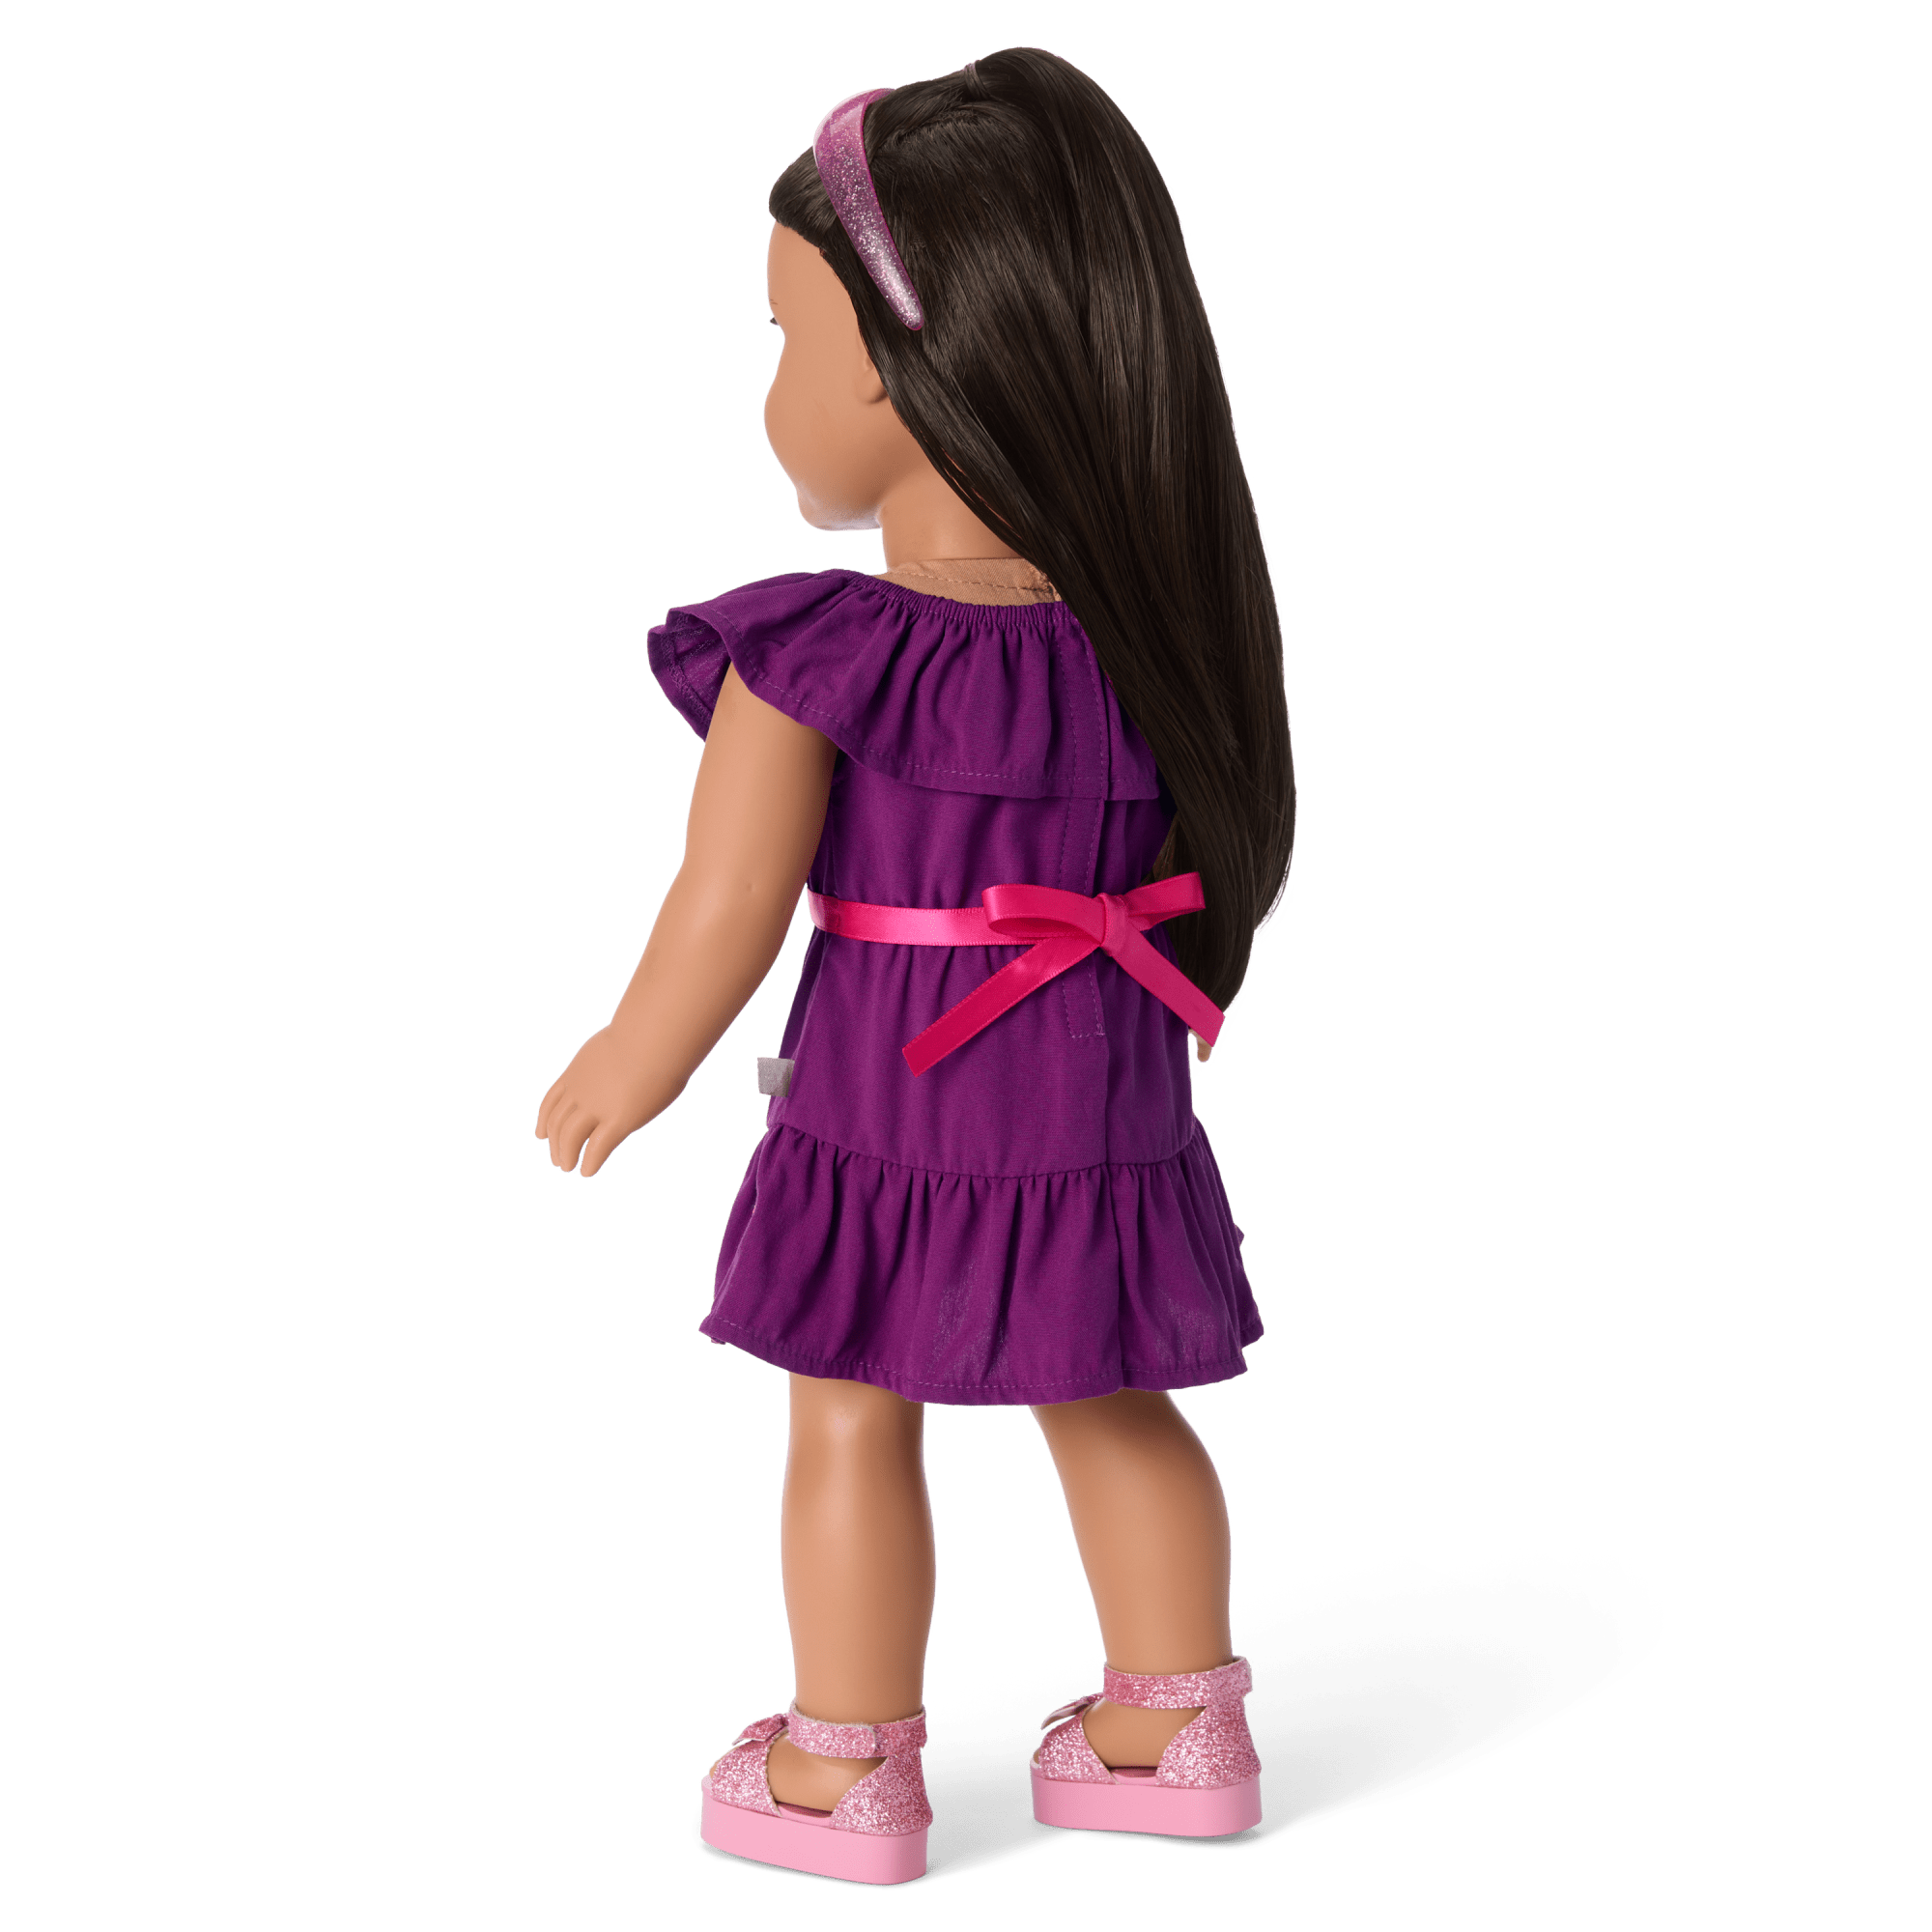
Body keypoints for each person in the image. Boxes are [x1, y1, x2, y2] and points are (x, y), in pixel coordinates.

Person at [533, 47, 1296, 1886]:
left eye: (789, 341)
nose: (773, 390)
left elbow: (724, 903)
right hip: (1099, 1103)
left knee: (849, 1413)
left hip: (892, 1095)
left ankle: (842, 1766)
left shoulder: (822, 655)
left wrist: (635, 1052)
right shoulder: (1160, 644)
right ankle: (1180, 1723)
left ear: (891, 371)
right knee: (1107, 1392)